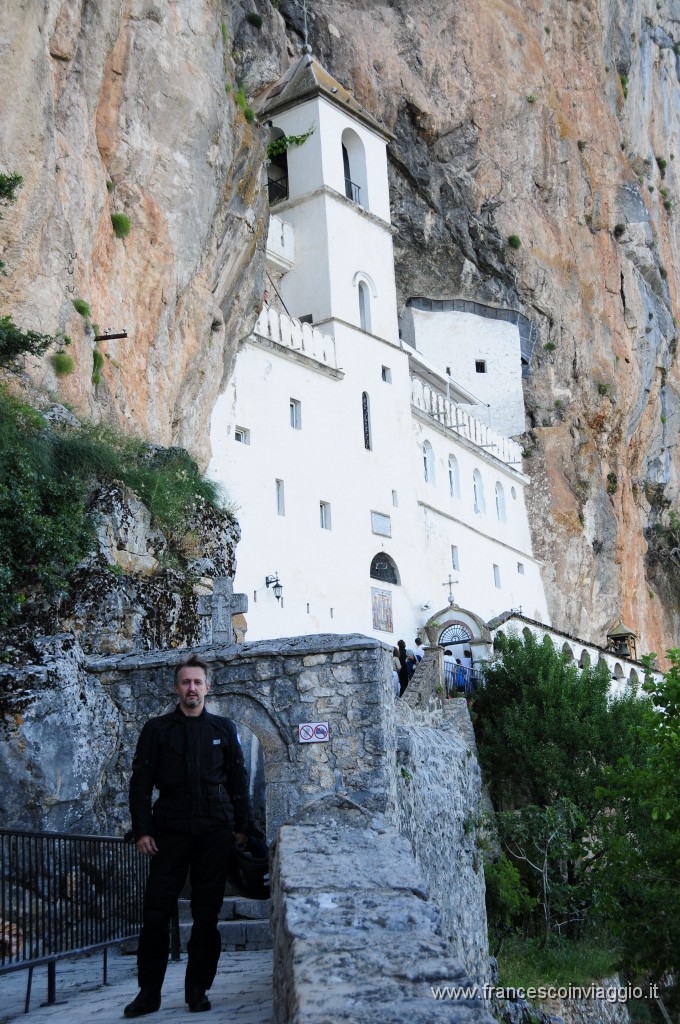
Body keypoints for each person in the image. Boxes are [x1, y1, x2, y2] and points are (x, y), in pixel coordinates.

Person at [124, 656, 252, 1018]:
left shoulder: (224, 730)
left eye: (197, 682)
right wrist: (143, 830)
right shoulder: (157, 730)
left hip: (214, 830)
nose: (191, 688)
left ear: (208, 688)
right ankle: (148, 994)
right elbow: (140, 785)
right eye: (185, 682)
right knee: (155, 914)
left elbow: (237, 781)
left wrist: (243, 826)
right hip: (170, 833)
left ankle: (197, 990)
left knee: (206, 915)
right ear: (176, 688)